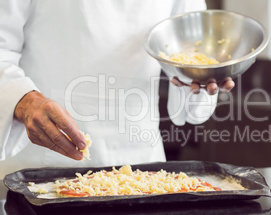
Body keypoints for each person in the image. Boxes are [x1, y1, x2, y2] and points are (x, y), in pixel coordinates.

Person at [0, 0, 234, 178]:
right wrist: (25, 102)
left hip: (142, 170)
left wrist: (199, 75)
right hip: (40, 169)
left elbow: (191, 49)